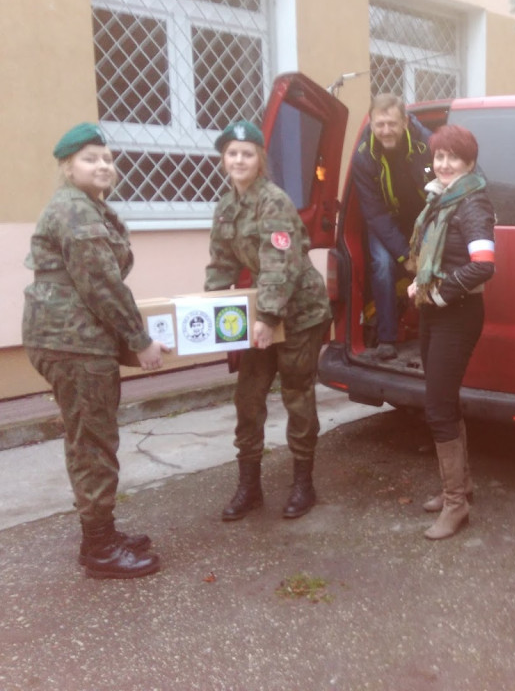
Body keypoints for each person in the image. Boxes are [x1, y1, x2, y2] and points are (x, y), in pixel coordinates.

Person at [22, 122, 167, 579]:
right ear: (68, 168)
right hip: (74, 341)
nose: (102, 164)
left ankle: (102, 531)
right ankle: (99, 548)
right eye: (89, 158)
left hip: (74, 337)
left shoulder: (88, 206)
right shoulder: (75, 212)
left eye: (106, 158)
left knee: (91, 437)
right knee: (93, 443)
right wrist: (140, 341)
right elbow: (102, 284)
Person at [206, 120, 332, 522]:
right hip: (261, 314)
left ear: (260, 160)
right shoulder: (226, 206)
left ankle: (303, 484)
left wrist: (268, 316)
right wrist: (208, 311)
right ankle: (250, 487)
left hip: (297, 314)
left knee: (296, 396)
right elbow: (221, 263)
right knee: (248, 398)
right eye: (232, 153)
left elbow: (280, 262)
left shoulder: (273, 201)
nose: (239, 159)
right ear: (223, 159)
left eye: (247, 153)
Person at [406, 125, 495, 540]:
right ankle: (460, 486)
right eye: (438, 157)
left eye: (452, 158)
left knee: (437, 406)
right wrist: (421, 285)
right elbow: (434, 257)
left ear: (469, 163)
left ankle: (456, 503)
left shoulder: (472, 203)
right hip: (436, 310)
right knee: (444, 399)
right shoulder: (442, 199)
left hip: (456, 313)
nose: (443, 164)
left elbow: (483, 265)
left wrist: (437, 293)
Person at [349, 93, 433, 360]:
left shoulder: (428, 144)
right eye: (379, 124)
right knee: (383, 266)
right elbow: (373, 213)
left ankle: (431, 338)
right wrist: (405, 256)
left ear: (405, 122)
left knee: (433, 266)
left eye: (392, 124)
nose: (386, 131)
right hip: (386, 218)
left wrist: (421, 253)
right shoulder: (363, 156)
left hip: (425, 216)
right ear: (371, 124)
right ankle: (386, 338)